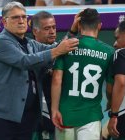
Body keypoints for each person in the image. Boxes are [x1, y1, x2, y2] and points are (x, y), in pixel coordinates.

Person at [0, 2, 79, 140]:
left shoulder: (30, 43)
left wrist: (72, 32)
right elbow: (24, 61)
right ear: (4, 21)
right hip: (3, 116)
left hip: (25, 116)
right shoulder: (1, 41)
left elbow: (56, 48)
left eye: (23, 17)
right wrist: (57, 50)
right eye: (15, 17)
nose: (21, 21)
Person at [51, 8, 115, 140]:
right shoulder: (109, 51)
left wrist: (54, 109)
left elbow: (57, 79)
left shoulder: (65, 46)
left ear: (79, 25)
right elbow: (110, 88)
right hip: (91, 115)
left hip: (65, 115)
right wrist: (110, 102)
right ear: (100, 26)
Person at [31, 11, 56, 140]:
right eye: (47, 28)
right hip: (32, 120)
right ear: (35, 31)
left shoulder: (61, 53)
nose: (52, 31)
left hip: (56, 119)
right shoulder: (26, 52)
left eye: (54, 27)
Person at [108, 20, 125, 140]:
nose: (115, 44)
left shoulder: (121, 54)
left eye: (117, 38)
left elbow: (120, 83)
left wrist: (114, 115)